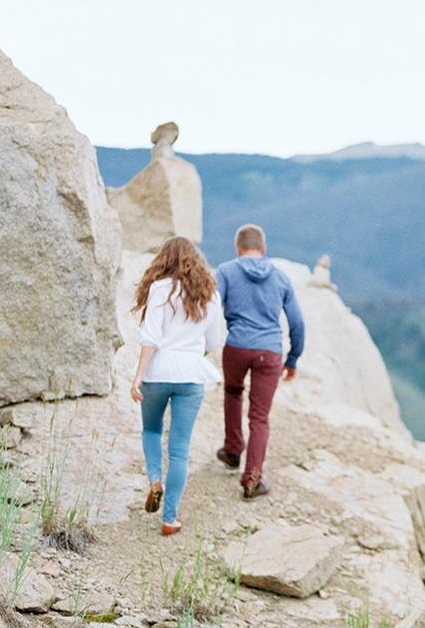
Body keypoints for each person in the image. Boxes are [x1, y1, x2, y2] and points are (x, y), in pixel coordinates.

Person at [130, 236, 222, 535]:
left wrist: (138, 375)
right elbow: (213, 342)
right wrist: (191, 356)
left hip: (158, 371)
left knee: (151, 430)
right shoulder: (209, 294)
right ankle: (169, 519)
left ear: (163, 261)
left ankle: (155, 479)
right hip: (192, 373)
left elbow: (151, 337)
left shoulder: (159, 289)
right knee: (180, 450)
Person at [215, 224, 305, 498]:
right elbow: (297, 322)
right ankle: (252, 480)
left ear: (238, 248)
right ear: (264, 250)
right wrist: (293, 358)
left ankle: (232, 451)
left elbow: (210, 309)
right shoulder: (280, 276)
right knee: (260, 417)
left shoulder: (226, 271)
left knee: (232, 392)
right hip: (270, 352)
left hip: (237, 346)